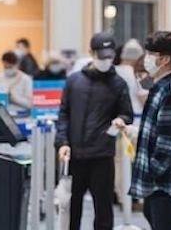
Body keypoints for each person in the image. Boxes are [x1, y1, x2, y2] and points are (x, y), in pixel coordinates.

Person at [57, 33, 133, 230]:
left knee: (103, 211)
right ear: (91, 53)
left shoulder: (118, 84)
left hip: (102, 157)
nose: (106, 61)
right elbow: (64, 114)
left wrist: (121, 119)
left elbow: (127, 113)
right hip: (75, 155)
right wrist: (63, 142)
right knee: (71, 209)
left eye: (109, 57)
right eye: (101, 56)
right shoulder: (74, 82)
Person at [130, 31, 171, 230]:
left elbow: (169, 143)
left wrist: (152, 171)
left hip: (167, 185)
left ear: (165, 59)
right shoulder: (162, 86)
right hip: (159, 186)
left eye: (151, 54)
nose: (147, 59)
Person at [114, 39, 147, 116]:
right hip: (136, 118)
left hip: (115, 119)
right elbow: (144, 99)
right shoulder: (140, 74)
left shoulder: (112, 71)